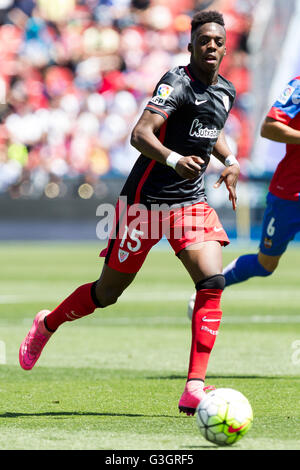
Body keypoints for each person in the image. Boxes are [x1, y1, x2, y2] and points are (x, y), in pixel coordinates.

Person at [19, 10, 240, 416]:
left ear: (226, 47)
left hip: (189, 202)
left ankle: (193, 385)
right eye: (204, 40)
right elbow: (140, 134)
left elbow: (214, 127)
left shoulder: (225, 91)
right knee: (107, 293)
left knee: (212, 280)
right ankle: (47, 324)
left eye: (218, 41)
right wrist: (173, 159)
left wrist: (231, 160)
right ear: (191, 45)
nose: (211, 46)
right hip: (145, 203)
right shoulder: (175, 83)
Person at [221, 76, 300, 287]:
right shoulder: (298, 86)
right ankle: (211, 286)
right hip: (290, 193)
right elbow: (269, 128)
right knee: (265, 264)